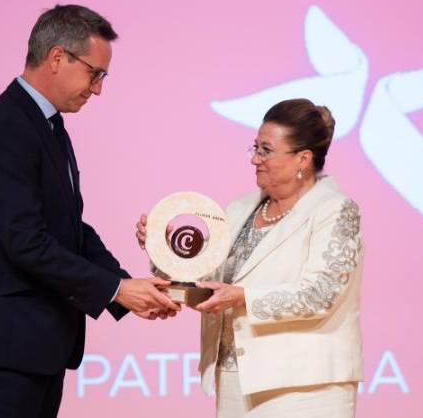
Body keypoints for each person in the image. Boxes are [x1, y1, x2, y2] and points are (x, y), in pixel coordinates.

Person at [0, 4, 180, 418]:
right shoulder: (7, 128)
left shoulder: (46, 125)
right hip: (2, 347)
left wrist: (126, 290)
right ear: (57, 57)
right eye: (95, 73)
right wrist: (118, 290)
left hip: (34, 346)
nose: (98, 89)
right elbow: (26, 242)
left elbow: (71, 228)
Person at [137, 98, 364, 417]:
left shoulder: (335, 210)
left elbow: (322, 293)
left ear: (303, 159)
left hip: (305, 389)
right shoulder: (239, 210)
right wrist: (163, 246)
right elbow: (203, 278)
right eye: (255, 148)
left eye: (266, 150)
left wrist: (242, 297)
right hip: (235, 381)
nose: (255, 159)